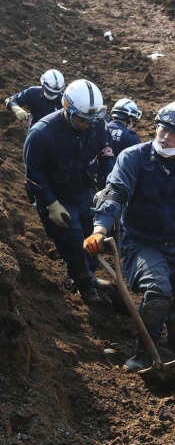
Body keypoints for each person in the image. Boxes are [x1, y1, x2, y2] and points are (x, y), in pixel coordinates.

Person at [84, 102, 175, 368]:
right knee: (157, 293)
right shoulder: (134, 158)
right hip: (142, 241)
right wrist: (100, 229)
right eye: (163, 128)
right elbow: (115, 193)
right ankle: (144, 352)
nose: (165, 136)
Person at [23, 80, 114, 307]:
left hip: (84, 192)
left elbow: (105, 152)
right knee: (73, 241)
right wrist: (51, 204)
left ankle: (88, 275)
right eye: (82, 120)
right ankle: (84, 285)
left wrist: (106, 183)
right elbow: (34, 174)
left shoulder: (96, 125)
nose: (87, 125)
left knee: (92, 237)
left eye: (91, 120)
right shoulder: (42, 134)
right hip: (57, 197)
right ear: (67, 108)